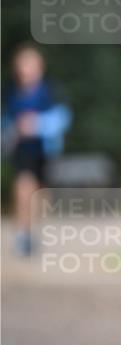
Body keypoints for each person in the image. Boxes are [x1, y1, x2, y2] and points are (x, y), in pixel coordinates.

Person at [2, 45, 71, 256]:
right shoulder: (11, 92)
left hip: (45, 150)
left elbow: (63, 118)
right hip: (22, 150)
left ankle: (33, 232)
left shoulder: (50, 90)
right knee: (24, 187)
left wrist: (36, 125)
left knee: (40, 194)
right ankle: (23, 234)